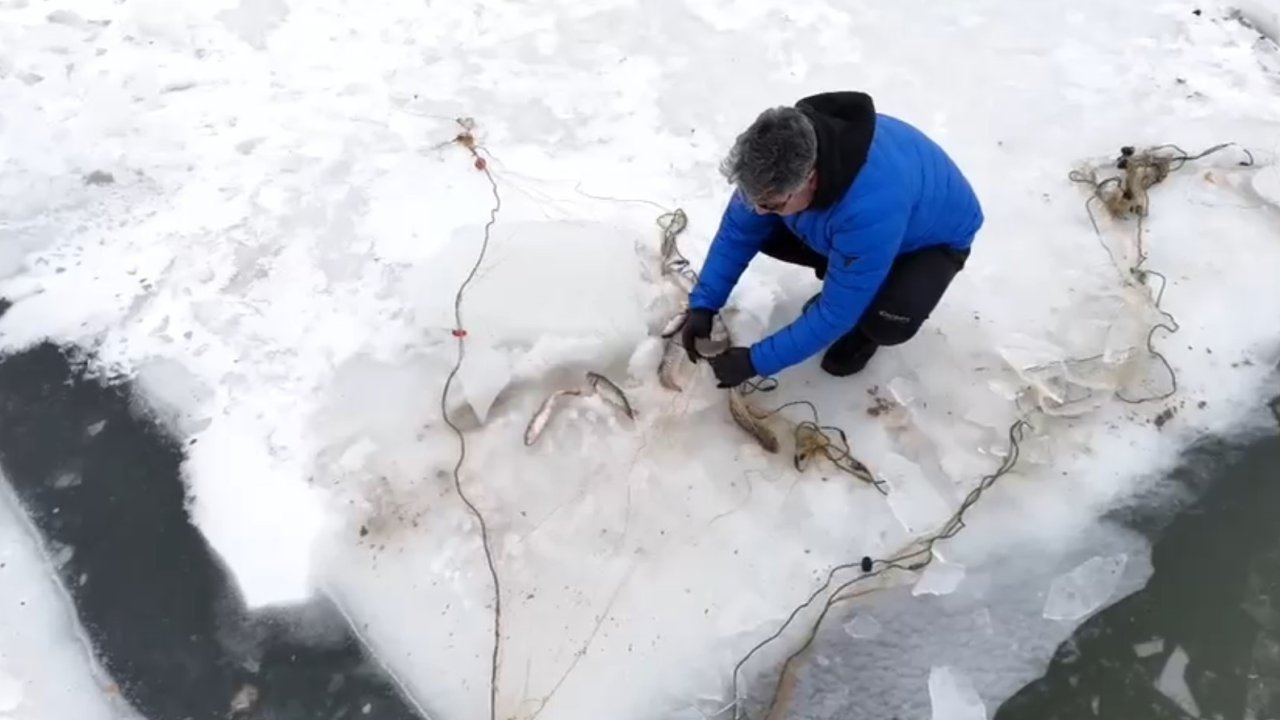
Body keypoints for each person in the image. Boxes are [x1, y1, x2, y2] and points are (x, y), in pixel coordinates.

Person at [681, 91, 984, 388]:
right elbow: (737, 234)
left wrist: (755, 362)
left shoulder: (869, 208)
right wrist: (704, 304)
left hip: (931, 243)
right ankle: (853, 278)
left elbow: (836, 313)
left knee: (890, 320)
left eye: (771, 204)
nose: (760, 210)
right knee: (762, 230)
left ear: (810, 179)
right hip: (870, 226)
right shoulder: (780, 162)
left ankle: (866, 330)